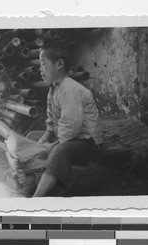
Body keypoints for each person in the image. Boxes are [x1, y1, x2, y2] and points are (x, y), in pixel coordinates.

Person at [29, 41, 103, 197]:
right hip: (69, 138)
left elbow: (71, 128)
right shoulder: (53, 89)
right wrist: (44, 138)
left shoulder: (70, 89)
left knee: (59, 150)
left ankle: (36, 198)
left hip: (87, 143)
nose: (40, 69)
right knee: (32, 137)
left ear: (59, 64)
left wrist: (53, 145)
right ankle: (29, 178)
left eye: (43, 64)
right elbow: (51, 120)